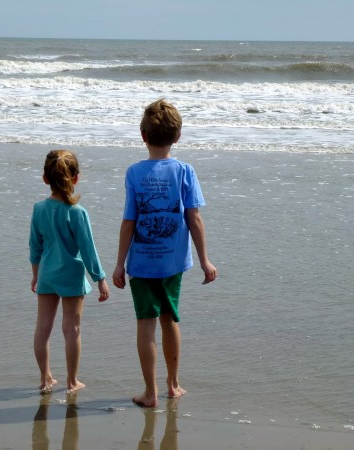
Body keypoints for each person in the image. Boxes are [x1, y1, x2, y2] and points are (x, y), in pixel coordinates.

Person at [112, 99, 217, 407]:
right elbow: (194, 219)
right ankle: (173, 385)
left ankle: (150, 392)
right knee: (170, 319)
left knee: (145, 324)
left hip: (142, 264)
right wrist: (204, 260)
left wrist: (119, 264)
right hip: (172, 262)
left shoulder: (134, 173)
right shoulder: (185, 171)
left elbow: (129, 220)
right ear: (178, 136)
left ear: (142, 136)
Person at [30, 149, 110, 394]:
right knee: (71, 329)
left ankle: (45, 378)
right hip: (72, 276)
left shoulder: (39, 208)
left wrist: (35, 273)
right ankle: (72, 381)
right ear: (76, 178)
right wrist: (100, 279)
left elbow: (35, 245)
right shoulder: (78, 212)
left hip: (46, 274)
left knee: (43, 328)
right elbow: (88, 250)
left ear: (45, 178)